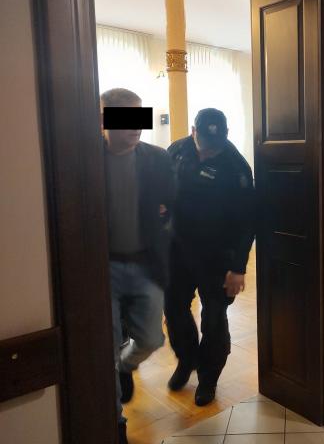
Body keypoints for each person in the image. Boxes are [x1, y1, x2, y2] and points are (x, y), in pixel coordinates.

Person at [165, 108, 255, 406]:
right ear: (194, 131)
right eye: (204, 144)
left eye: (214, 147)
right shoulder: (177, 150)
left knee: (214, 319)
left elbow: (247, 222)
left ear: (226, 135)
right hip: (177, 250)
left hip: (217, 256)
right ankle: (187, 358)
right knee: (174, 309)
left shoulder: (236, 166)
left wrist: (238, 267)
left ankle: (208, 377)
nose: (208, 152)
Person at [101, 88, 175, 444]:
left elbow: (171, 203)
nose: (135, 127)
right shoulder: (85, 157)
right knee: (105, 346)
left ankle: (125, 366)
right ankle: (116, 423)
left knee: (150, 339)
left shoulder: (157, 158)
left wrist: (164, 218)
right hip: (102, 268)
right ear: (103, 119)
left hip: (146, 264)